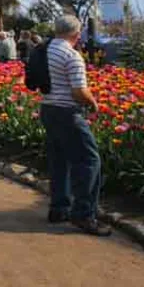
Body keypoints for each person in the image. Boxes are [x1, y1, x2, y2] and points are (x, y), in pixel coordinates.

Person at [40, 15, 110, 237]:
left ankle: (59, 208)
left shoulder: (45, 49)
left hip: (48, 109)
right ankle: (84, 214)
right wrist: (93, 102)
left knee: (59, 159)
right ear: (77, 34)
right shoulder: (72, 56)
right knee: (89, 160)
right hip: (67, 113)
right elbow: (78, 91)